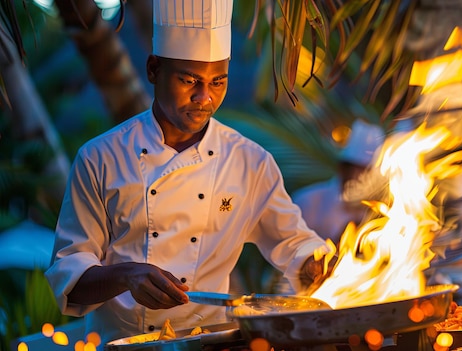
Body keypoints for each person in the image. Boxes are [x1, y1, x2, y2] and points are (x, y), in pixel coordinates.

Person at [45, 0, 330, 346]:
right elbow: (69, 270)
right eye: (189, 80)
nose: (204, 97)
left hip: (212, 343)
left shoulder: (250, 162)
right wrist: (126, 276)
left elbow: (295, 242)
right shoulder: (100, 157)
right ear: (153, 69)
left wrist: (315, 262)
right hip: (123, 344)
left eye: (218, 82)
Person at [291, 119, 385, 245]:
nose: (367, 179)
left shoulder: (380, 212)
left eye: (372, 172)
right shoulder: (308, 202)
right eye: (362, 171)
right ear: (345, 169)